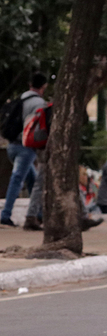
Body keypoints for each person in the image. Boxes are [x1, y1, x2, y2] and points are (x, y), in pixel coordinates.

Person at [1, 73, 47, 227]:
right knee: (17, 179)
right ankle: (5, 215)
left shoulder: (20, 99)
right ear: (43, 86)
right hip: (25, 147)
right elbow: (39, 126)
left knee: (33, 180)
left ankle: (38, 214)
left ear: (30, 84)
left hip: (11, 146)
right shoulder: (39, 103)